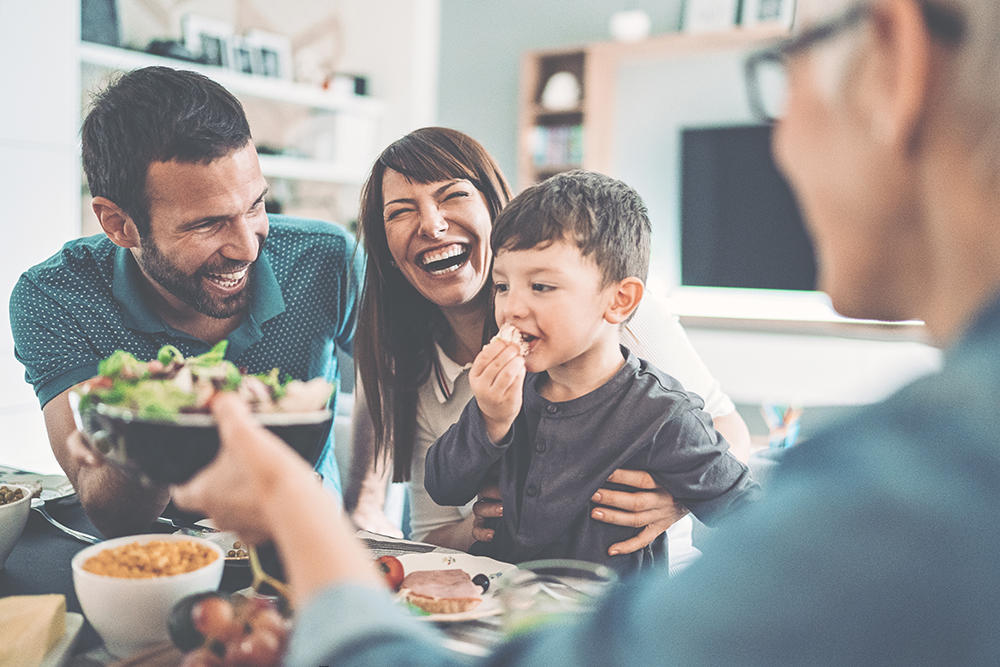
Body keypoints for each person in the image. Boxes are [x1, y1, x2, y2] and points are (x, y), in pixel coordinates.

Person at [174, 0, 1000, 663]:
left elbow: (728, 480)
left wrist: (288, 504)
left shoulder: (918, 484)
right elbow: (445, 488)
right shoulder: (494, 377)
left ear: (896, 61)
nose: (779, 138)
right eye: (509, 286)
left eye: (780, 73)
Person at [347, 127, 752, 563]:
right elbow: (437, 507)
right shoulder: (500, 390)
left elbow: (733, 472)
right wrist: (488, 438)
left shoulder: (619, 332)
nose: (432, 224)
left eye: (453, 195)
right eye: (503, 287)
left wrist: (677, 497)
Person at [9, 66, 362, 537]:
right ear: (118, 224)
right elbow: (110, 512)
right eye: (207, 224)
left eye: (256, 205)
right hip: (158, 559)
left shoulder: (325, 258)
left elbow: (404, 380)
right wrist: (157, 410)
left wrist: (371, 502)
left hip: (309, 545)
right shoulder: (55, 297)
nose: (249, 248)